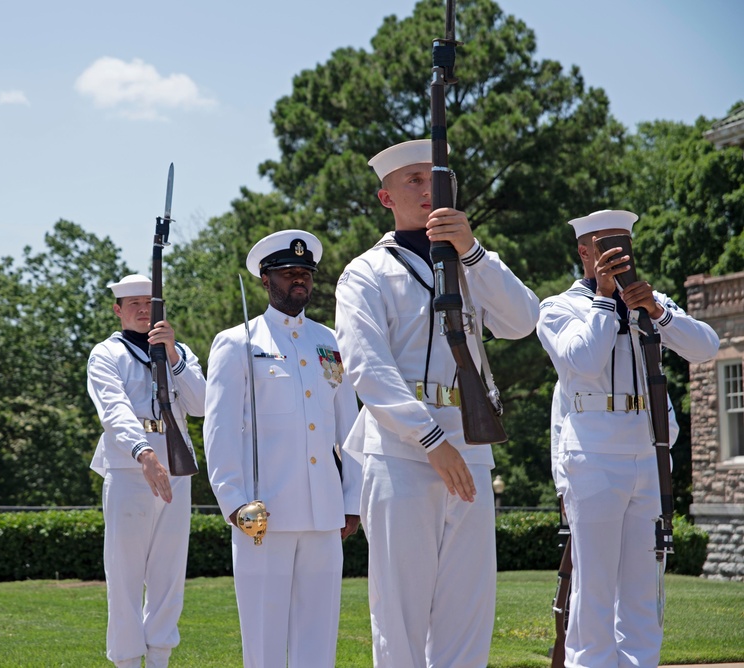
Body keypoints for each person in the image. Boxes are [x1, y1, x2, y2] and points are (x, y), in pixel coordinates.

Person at [334, 139, 539, 667]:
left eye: (436, 179)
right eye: (414, 181)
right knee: (400, 615)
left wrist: (473, 251)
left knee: (467, 612)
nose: (429, 190)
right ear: (387, 198)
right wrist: (429, 439)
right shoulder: (366, 273)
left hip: (471, 441)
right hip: (403, 453)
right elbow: (366, 368)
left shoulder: (470, 262)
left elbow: (523, 321)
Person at [536, 209, 718, 668]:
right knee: (594, 588)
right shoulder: (558, 308)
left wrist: (656, 311)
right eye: (605, 247)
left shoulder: (650, 303)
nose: (616, 257)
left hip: (649, 454)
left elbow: (706, 347)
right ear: (585, 252)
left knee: (642, 590)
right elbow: (584, 360)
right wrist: (603, 297)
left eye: (623, 246)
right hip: (593, 455)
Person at [204, 229, 361, 668]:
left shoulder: (329, 340)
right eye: (289, 272)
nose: (299, 281)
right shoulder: (238, 342)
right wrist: (234, 503)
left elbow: (349, 427)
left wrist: (352, 499)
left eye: (306, 273)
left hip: (324, 513)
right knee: (264, 636)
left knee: (319, 635)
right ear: (265, 279)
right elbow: (220, 431)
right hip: (262, 513)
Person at [87, 274, 206, 668]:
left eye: (149, 303)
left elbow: (203, 403)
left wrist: (173, 355)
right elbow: (114, 409)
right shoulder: (106, 354)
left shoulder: (178, 352)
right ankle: (125, 660)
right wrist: (142, 452)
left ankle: (159, 658)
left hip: (175, 462)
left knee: (168, 573)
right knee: (124, 573)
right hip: (129, 466)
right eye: (133, 303)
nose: (142, 310)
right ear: (118, 310)